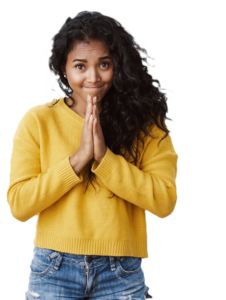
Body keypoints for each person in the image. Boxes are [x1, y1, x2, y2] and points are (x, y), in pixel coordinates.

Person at [6, 10, 178, 300]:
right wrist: (78, 160)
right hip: (53, 268)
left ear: (118, 65)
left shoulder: (144, 122)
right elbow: (19, 206)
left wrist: (105, 159)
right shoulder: (37, 121)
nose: (93, 77)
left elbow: (164, 202)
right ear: (64, 68)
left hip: (120, 272)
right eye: (80, 66)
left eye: (104, 64)